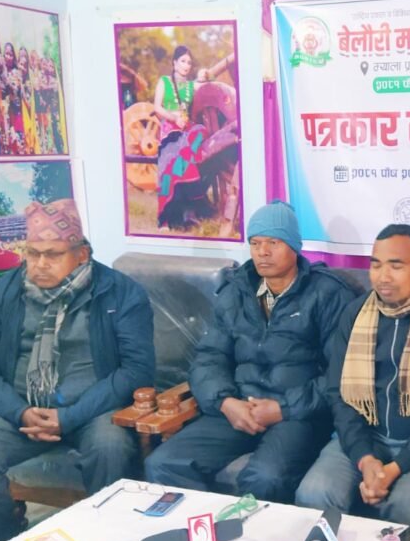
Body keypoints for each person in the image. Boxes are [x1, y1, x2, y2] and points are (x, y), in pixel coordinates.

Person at [0, 199, 154, 541]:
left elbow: (136, 370)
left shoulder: (120, 292)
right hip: (21, 411)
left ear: (82, 254)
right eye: (32, 253)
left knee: (111, 448)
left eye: (53, 254)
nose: (40, 264)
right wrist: (20, 412)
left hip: (94, 411)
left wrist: (68, 417)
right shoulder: (7, 291)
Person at [144, 201, 356, 501]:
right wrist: (225, 402)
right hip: (238, 407)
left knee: (265, 477)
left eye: (273, 243)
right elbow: (209, 358)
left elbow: (342, 375)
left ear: (294, 247)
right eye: (255, 243)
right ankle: (206, 528)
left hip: (297, 415)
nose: (262, 252)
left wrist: (283, 408)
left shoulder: (327, 294)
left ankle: (249, 532)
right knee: (163, 463)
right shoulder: (236, 291)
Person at [295, 224, 410, 525]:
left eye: (396, 266)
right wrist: (364, 457)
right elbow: (338, 393)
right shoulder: (355, 314)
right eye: (376, 265)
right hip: (364, 438)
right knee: (314, 494)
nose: (383, 276)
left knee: (408, 509)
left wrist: (395, 468)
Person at [152, 45, 202, 142]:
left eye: (189, 63)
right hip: (169, 129)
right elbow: (157, 107)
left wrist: (206, 74)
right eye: (183, 61)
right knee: (175, 147)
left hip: (186, 129)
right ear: (175, 63)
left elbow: (209, 86)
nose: (186, 66)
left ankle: (190, 149)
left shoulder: (191, 85)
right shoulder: (164, 81)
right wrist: (175, 119)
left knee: (201, 135)